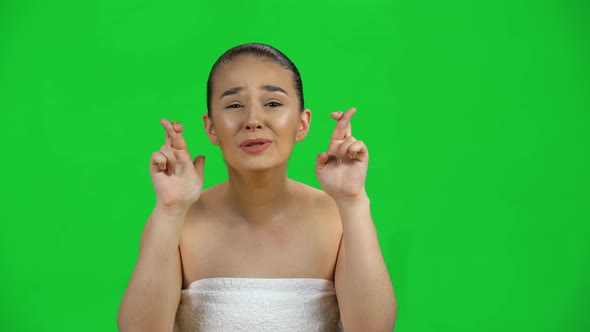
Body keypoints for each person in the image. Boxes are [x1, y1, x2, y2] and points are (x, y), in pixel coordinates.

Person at [117, 43, 396, 332]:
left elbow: (373, 328)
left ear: (302, 124)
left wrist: (352, 201)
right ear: (211, 127)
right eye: (235, 105)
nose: (253, 120)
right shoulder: (176, 221)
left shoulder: (340, 218)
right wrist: (170, 210)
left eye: (273, 103)